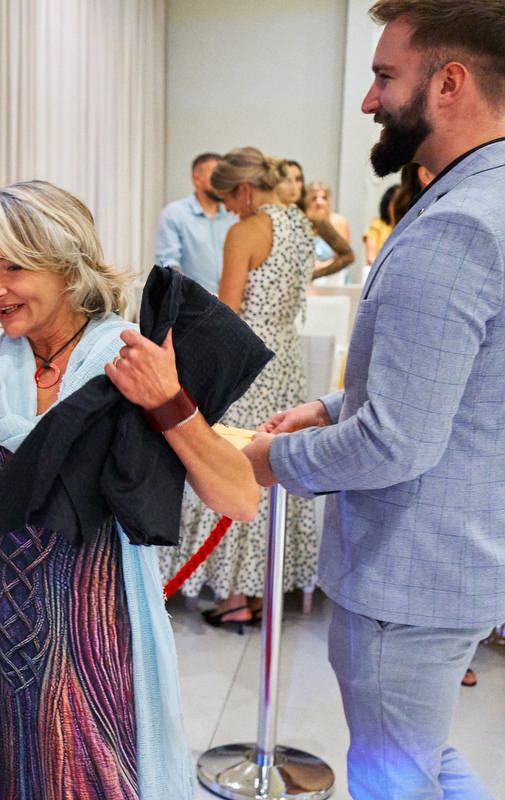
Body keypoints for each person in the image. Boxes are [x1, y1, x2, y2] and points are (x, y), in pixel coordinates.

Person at [0, 180, 260, 799]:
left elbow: (240, 498)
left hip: (93, 656)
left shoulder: (131, 359)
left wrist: (168, 400)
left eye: (13, 267)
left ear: (66, 263)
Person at [244, 1, 505, 796]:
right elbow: (467, 381)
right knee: (420, 756)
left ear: (449, 83)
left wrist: (271, 459)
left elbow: (396, 442)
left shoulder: (461, 225)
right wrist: (330, 410)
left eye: (385, 77)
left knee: (393, 776)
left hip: (414, 566)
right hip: (461, 552)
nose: (370, 100)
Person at [159, 147, 319, 630]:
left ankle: (233, 595)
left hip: (248, 365)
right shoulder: (299, 225)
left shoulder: (245, 231)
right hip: (286, 362)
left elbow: (227, 315)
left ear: (244, 191)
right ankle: (260, 589)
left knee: (234, 463)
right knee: (273, 468)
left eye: (228, 197)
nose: (227, 207)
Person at [154, 152, 237, 294]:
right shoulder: (175, 213)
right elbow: (168, 262)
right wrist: (187, 294)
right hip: (191, 301)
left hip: (231, 300)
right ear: (197, 179)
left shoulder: (233, 214)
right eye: (215, 175)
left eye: (223, 176)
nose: (221, 181)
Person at [306, 181, 353, 284]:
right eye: (314, 198)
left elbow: (345, 256)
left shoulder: (339, 221)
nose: (319, 202)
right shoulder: (303, 222)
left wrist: (320, 268)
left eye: (324, 198)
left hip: (334, 276)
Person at [363, 184, 397, 265]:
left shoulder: (410, 225)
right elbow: (370, 257)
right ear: (388, 204)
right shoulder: (377, 224)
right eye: (396, 202)